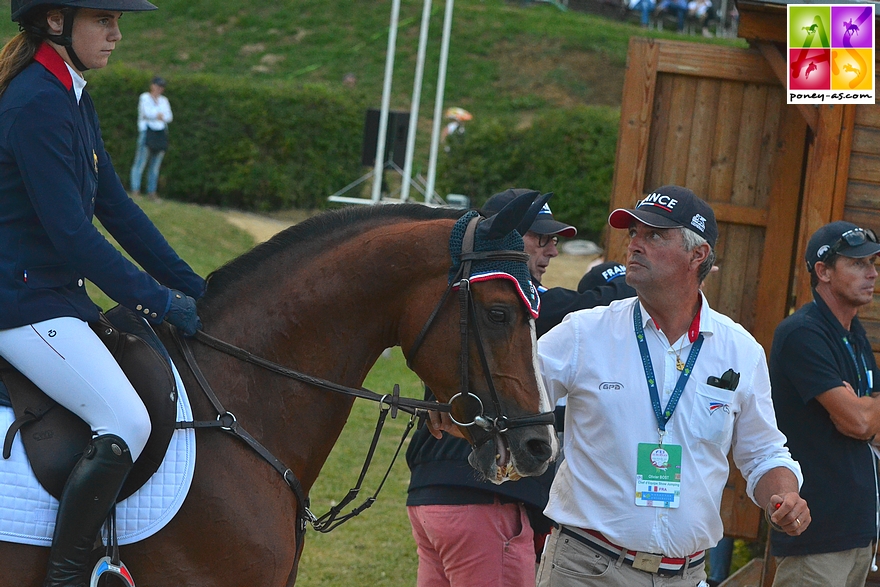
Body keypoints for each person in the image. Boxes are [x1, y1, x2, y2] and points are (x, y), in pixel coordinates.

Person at [0, 2, 204, 586]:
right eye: (104, 20)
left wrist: (194, 285)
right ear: (57, 22)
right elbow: (71, 236)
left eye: (118, 20)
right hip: (21, 304)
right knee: (125, 420)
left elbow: (114, 205)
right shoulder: (37, 103)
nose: (117, 34)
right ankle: (67, 576)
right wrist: (158, 301)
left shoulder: (71, 94)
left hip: (52, 296)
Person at [535, 185, 809, 587]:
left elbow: (763, 453)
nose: (634, 246)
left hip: (684, 575)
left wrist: (784, 498)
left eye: (654, 235)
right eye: (634, 234)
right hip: (586, 568)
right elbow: (511, 394)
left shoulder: (739, 350)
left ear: (698, 255)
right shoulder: (582, 333)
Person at [406, 188, 633, 587]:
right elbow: (591, 304)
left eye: (555, 240)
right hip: (483, 502)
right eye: (540, 239)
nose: (552, 252)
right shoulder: (516, 305)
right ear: (503, 239)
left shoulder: (459, 302)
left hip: (428, 497)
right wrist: (656, 277)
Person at [768, 221, 880, 587]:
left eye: (874, 263)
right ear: (823, 271)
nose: (872, 273)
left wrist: (863, 407)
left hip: (857, 535)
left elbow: (867, 422)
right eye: (858, 264)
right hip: (815, 539)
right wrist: (861, 411)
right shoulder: (802, 333)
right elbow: (860, 424)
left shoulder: (854, 333)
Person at [129, 74, 172, 199]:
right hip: (147, 133)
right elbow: (147, 113)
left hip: (160, 134)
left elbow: (169, 116)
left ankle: (151, 192)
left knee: (155, 165)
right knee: (140, 162)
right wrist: (158, 115)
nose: (160, 89)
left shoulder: (164, 100)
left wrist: (157, 115)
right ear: (152, 86)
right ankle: (135, 189)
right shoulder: (145, 98)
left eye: (162, 87)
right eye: (158, 86)